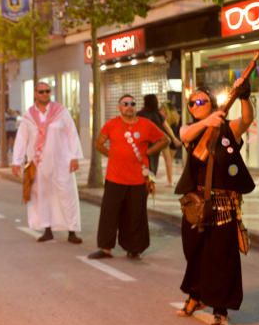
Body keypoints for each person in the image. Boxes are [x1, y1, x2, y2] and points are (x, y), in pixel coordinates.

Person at [175, 82, 254, 325]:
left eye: (202, 101)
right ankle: (195, 295)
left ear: (212, 103)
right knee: (194, 253)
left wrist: (244, 97)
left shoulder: (227, 128)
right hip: (195, 205)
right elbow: (184, 135)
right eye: (192, 103)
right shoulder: (193, 129)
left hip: (222, 205)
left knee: (221, 259)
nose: (197, 105)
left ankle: (220, 310)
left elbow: (246, 120)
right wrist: (207, 121)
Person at [89, 94, 168, 260]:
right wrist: (111, 154)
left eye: (132, 103)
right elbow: (98, 143)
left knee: (135, 215)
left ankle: (134, 249)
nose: (129, 106)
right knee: (109, 214)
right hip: (114, 178)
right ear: (119, 107)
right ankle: (105, 248)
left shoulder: (146, 125)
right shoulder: (111, 124)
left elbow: (164, 140)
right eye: (125, 104)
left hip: (138, 179)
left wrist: (149, 152)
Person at [11, 82, 85, 244]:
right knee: (42, 196)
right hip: (39, 163)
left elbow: (72, 133)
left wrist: (74, 157)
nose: (45, 94)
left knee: (67, 194)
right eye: (41, 92)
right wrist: (16, 161)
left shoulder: (61, 112)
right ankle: (47, 229)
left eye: (47, 91)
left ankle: (72, 230)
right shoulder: (28, 116)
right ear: (35, 94)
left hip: (62, 161)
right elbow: (21, 139)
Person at [136, 94, 174, 179]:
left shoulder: (139, 114)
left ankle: (142, 180)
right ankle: (151, 181)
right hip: (157, 142)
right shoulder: (158, 114)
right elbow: (167, 128)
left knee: (142, 161)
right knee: (153, 163)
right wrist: (174, 138)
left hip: (143, 141)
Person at [160, 101, 182, 186]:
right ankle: (170, 180)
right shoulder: (177, 116)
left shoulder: (164, 118)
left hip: (166, 140)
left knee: (168, 161)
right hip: (175, 140)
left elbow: (165, 129)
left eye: (162, 109)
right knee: (169, 161)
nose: (160, 111)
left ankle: (170, 181)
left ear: (166, 110)